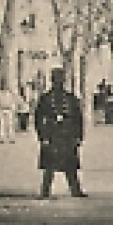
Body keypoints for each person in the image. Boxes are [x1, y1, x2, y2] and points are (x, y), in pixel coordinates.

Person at [34, 67, 87, 198]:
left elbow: (78, 118)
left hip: (67, 135)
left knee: (70, 165)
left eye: (61, 80)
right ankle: (45, 191)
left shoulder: (71, 98)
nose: (59, 83)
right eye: (56, 80)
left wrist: (78, 136)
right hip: (52, 134)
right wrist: (42, 136)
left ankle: (76, 190)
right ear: (52, 81)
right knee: (49, 166)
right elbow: (38, 119)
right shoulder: (45, 99)